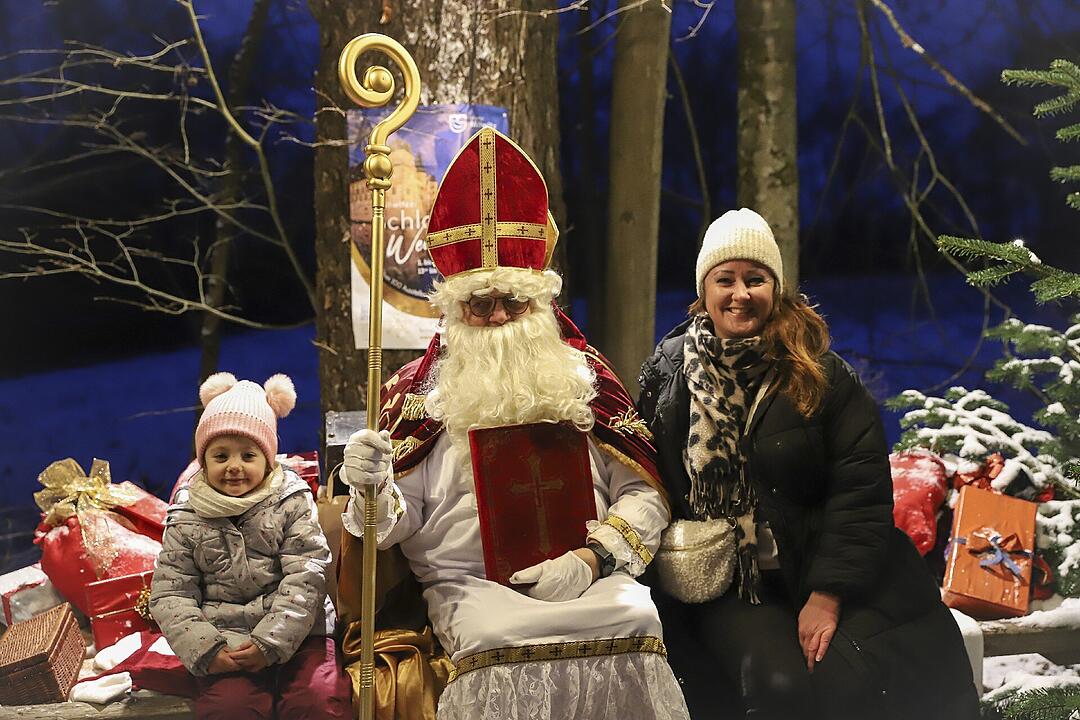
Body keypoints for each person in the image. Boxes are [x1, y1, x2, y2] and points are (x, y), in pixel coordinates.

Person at [338, 127, 689, 720]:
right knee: (496, 642)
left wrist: (593, 559)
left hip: (587, 579)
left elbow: (643, 492)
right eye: (481, 303)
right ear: (456, 307)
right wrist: (372, 489)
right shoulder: (417, 396)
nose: (499, 316)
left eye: (514, 301)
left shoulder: (584, 380)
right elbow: (392, 529)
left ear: (540, 303)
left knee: (635, 616)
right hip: (472, 587)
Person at [637, 208, 980, 720]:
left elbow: (860, 490)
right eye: (724, 279)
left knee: (867, 674)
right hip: (732, 583)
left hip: (823, 567)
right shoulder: (669, 376)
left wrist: (828, 594)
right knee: (780, 685)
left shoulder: (821, 375)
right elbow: (647, 475)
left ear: (775, 288)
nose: (740, 293)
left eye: (756, 279)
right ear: (703, 289)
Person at [150, 373, 352, 720]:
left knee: (317, 700)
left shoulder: (290, 500)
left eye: (247, 455)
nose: (234, 467)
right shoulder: (187, 512)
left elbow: (308, 574)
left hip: (302, 634)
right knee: (230, 708)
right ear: (204, 461)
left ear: (268, 458)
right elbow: (171, 592)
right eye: (220, 456)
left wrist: (269, 642)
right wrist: (206, 648)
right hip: (226, 642)